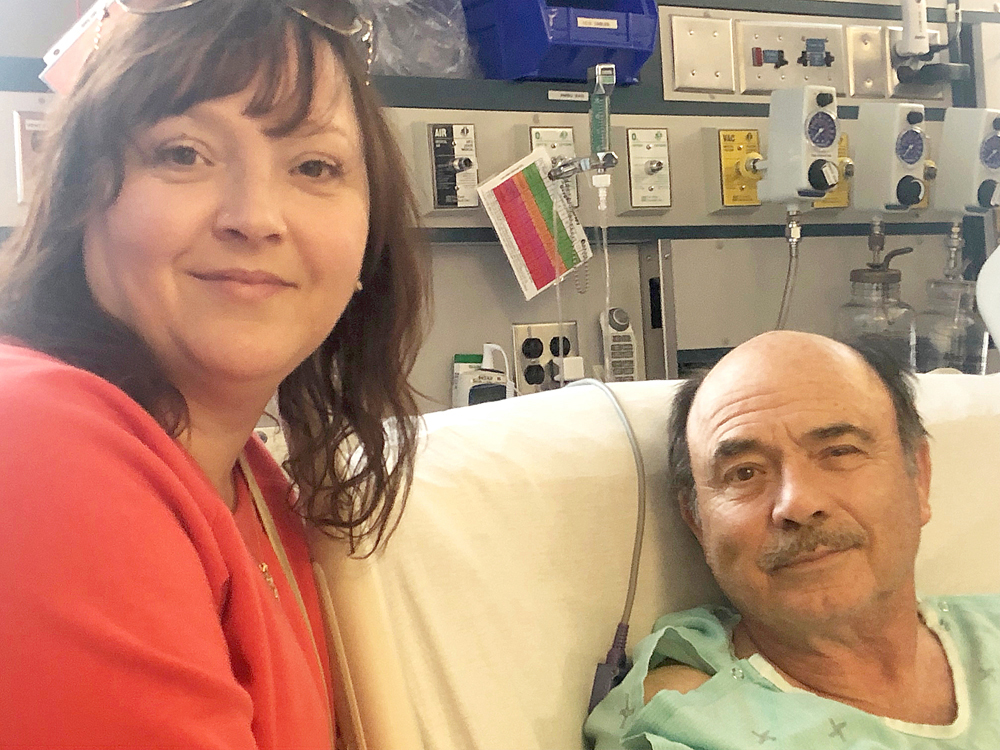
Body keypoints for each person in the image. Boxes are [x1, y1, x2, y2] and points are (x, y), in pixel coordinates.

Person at [0, 0, 428, 746]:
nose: (255, 216)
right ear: (77, 196)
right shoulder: (38, 442)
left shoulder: (249, 484)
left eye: (314, 166)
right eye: (183, 154)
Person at [585, 331, 1000, 749]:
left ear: (919, 478)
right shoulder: (685, 722)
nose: (798, 504)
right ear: (696, 522)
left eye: (839, 451)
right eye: (744, 473)